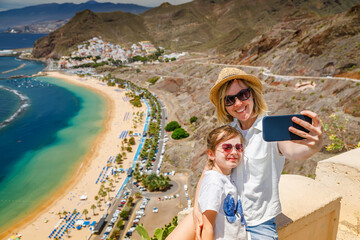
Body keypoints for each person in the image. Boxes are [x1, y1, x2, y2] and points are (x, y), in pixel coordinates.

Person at [195, 67, 323, 239]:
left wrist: (314, 145)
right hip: (228, 217)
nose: (238, 103)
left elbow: (293, 151)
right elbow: (208, 172)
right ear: (224, 106)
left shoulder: (270, 129)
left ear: (252, 94)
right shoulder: (227, 133)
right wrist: (197, 208)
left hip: (260, 222)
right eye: (229, 100)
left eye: (243, 94)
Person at [167, 125, 249, 240]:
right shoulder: (214, 183)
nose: (234, 152)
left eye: (238, 147)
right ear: (211, 154)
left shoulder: (225, 178)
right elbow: (207, 227)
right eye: (227, 148)